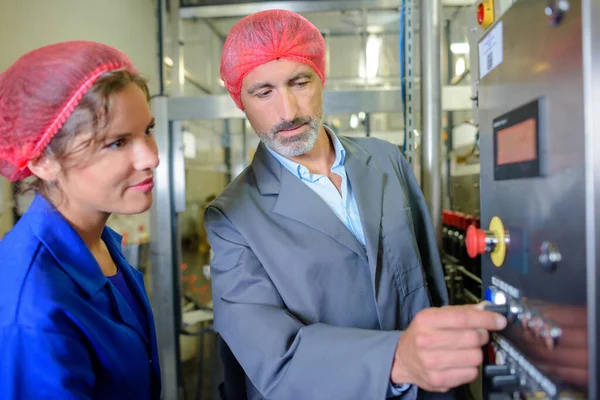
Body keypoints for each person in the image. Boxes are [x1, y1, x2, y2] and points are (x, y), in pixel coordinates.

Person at [205, 10, 508, 400]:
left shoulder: (386, 160)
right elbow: (272, 356)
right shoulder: (233, 216)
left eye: (300, 82)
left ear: (320, 78)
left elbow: (429, 282)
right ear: (240, 101)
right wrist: (398, 359)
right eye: (264, 92)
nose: (288, 111)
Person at [0, 41, 161, 399]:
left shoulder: (99, 243)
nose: (150, 157)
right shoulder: (33, 305)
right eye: (117, 142)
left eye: (147, 130)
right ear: (43, 160)